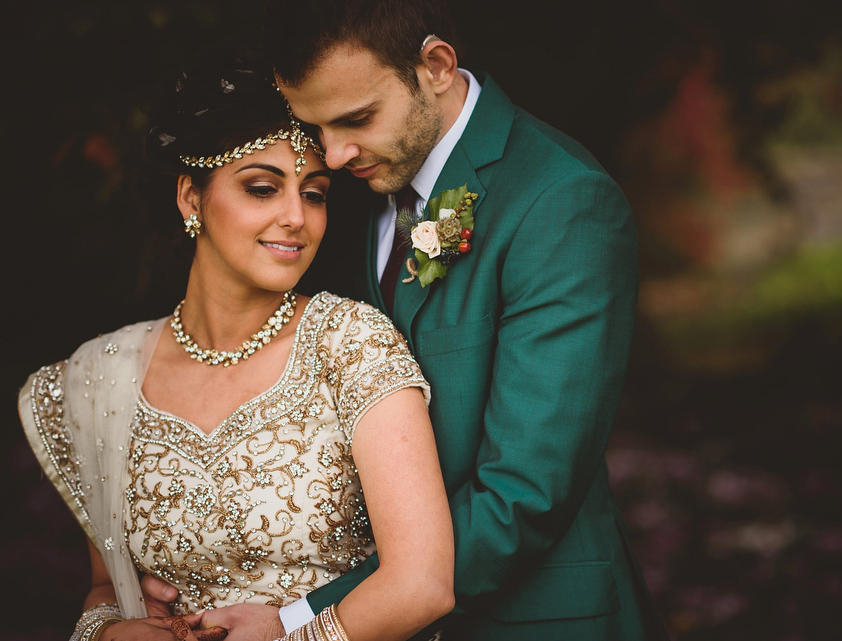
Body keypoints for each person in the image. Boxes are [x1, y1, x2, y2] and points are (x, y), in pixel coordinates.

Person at [143, 1, 667, 639]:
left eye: (356, 119)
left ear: (437, 66)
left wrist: (310, 612)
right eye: (316, 128)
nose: (332, 156)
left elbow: (527, 492)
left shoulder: (561, 202)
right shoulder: (354, 187)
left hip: (528, 618)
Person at [18, 63, 454, 641]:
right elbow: (109, 587)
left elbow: (422, 585)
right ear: (190, 196)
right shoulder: (100, 379)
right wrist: (106, 630)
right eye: (262, 188)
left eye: (315, 194)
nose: (296, 218)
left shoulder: (350, 344)